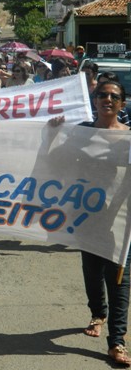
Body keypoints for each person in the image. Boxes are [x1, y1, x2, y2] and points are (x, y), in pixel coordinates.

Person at [77, 80, 131, 366]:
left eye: (114, 96)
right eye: (102, 95)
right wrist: (51, 134)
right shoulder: (80, 133)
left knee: (120, 279)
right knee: (92, 271)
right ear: (95, 100)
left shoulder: (130, 137)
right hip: (88, 216)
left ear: (122, 104)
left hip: (122, 220)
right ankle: (98, 313)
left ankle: (117, 341)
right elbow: (56, 162)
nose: (107, 99)